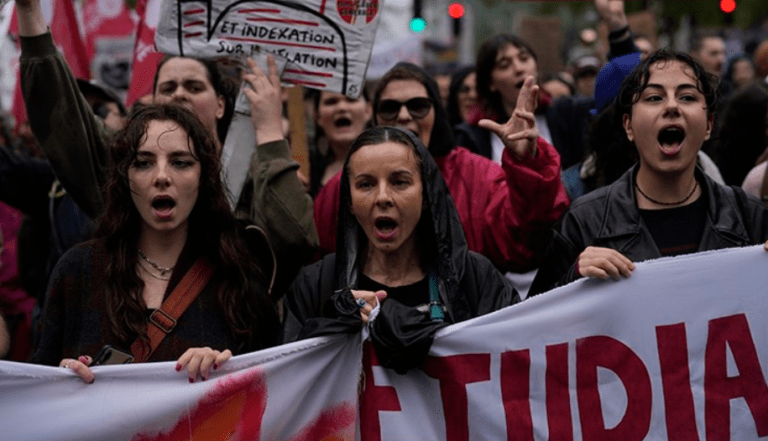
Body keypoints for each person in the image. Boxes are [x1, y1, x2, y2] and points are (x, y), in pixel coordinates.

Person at [15, 0, 317, 292]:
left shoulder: (259, 173)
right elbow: (64, 118)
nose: (180, 95)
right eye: (168, 88)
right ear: (154, 104)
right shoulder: (126, 166)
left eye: (194, 87)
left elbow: (296, 242)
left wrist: (269, 135)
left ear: (221, 105)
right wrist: (29, 12)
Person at [30, 104, 281, 383]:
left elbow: (273, 389)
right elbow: (36, 390)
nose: (162, 176)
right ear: (125, 178)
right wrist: (62, 382)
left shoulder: (238, 275)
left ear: (203, 177)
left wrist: (224, 372)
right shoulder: (78, 271)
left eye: (180, 162)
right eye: (143, 163)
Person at [529, 50, 768, 296]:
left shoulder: (749, 218)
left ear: (708, 125)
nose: (672, 106)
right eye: (654, 98)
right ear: (628, 125)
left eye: (687, 97)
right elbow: (536, 315)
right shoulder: (585, 223)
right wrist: (574, 278)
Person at [283, 127, 519, 373]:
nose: (382, 197)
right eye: (366, 184)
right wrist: (328, 330)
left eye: (399, 182)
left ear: (425, 195)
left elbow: (517, 362)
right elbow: (287, 377)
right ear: (349, 201)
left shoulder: (474, 278)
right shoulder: (317, 285)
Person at [313, 62, 569, 274]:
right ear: (375, 116)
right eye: (390, 108)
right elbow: (324, 265)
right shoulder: (344, 186)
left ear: (436, 112)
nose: (404, 116)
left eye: (418, 106)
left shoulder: (476, 176)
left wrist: (528, 164)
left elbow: (524, 245)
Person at [308, 90, 372, 197]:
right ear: (317, 116)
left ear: (368, 110)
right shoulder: (306, 170)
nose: (342, 107)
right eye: (331, 102)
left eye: (351, 100)